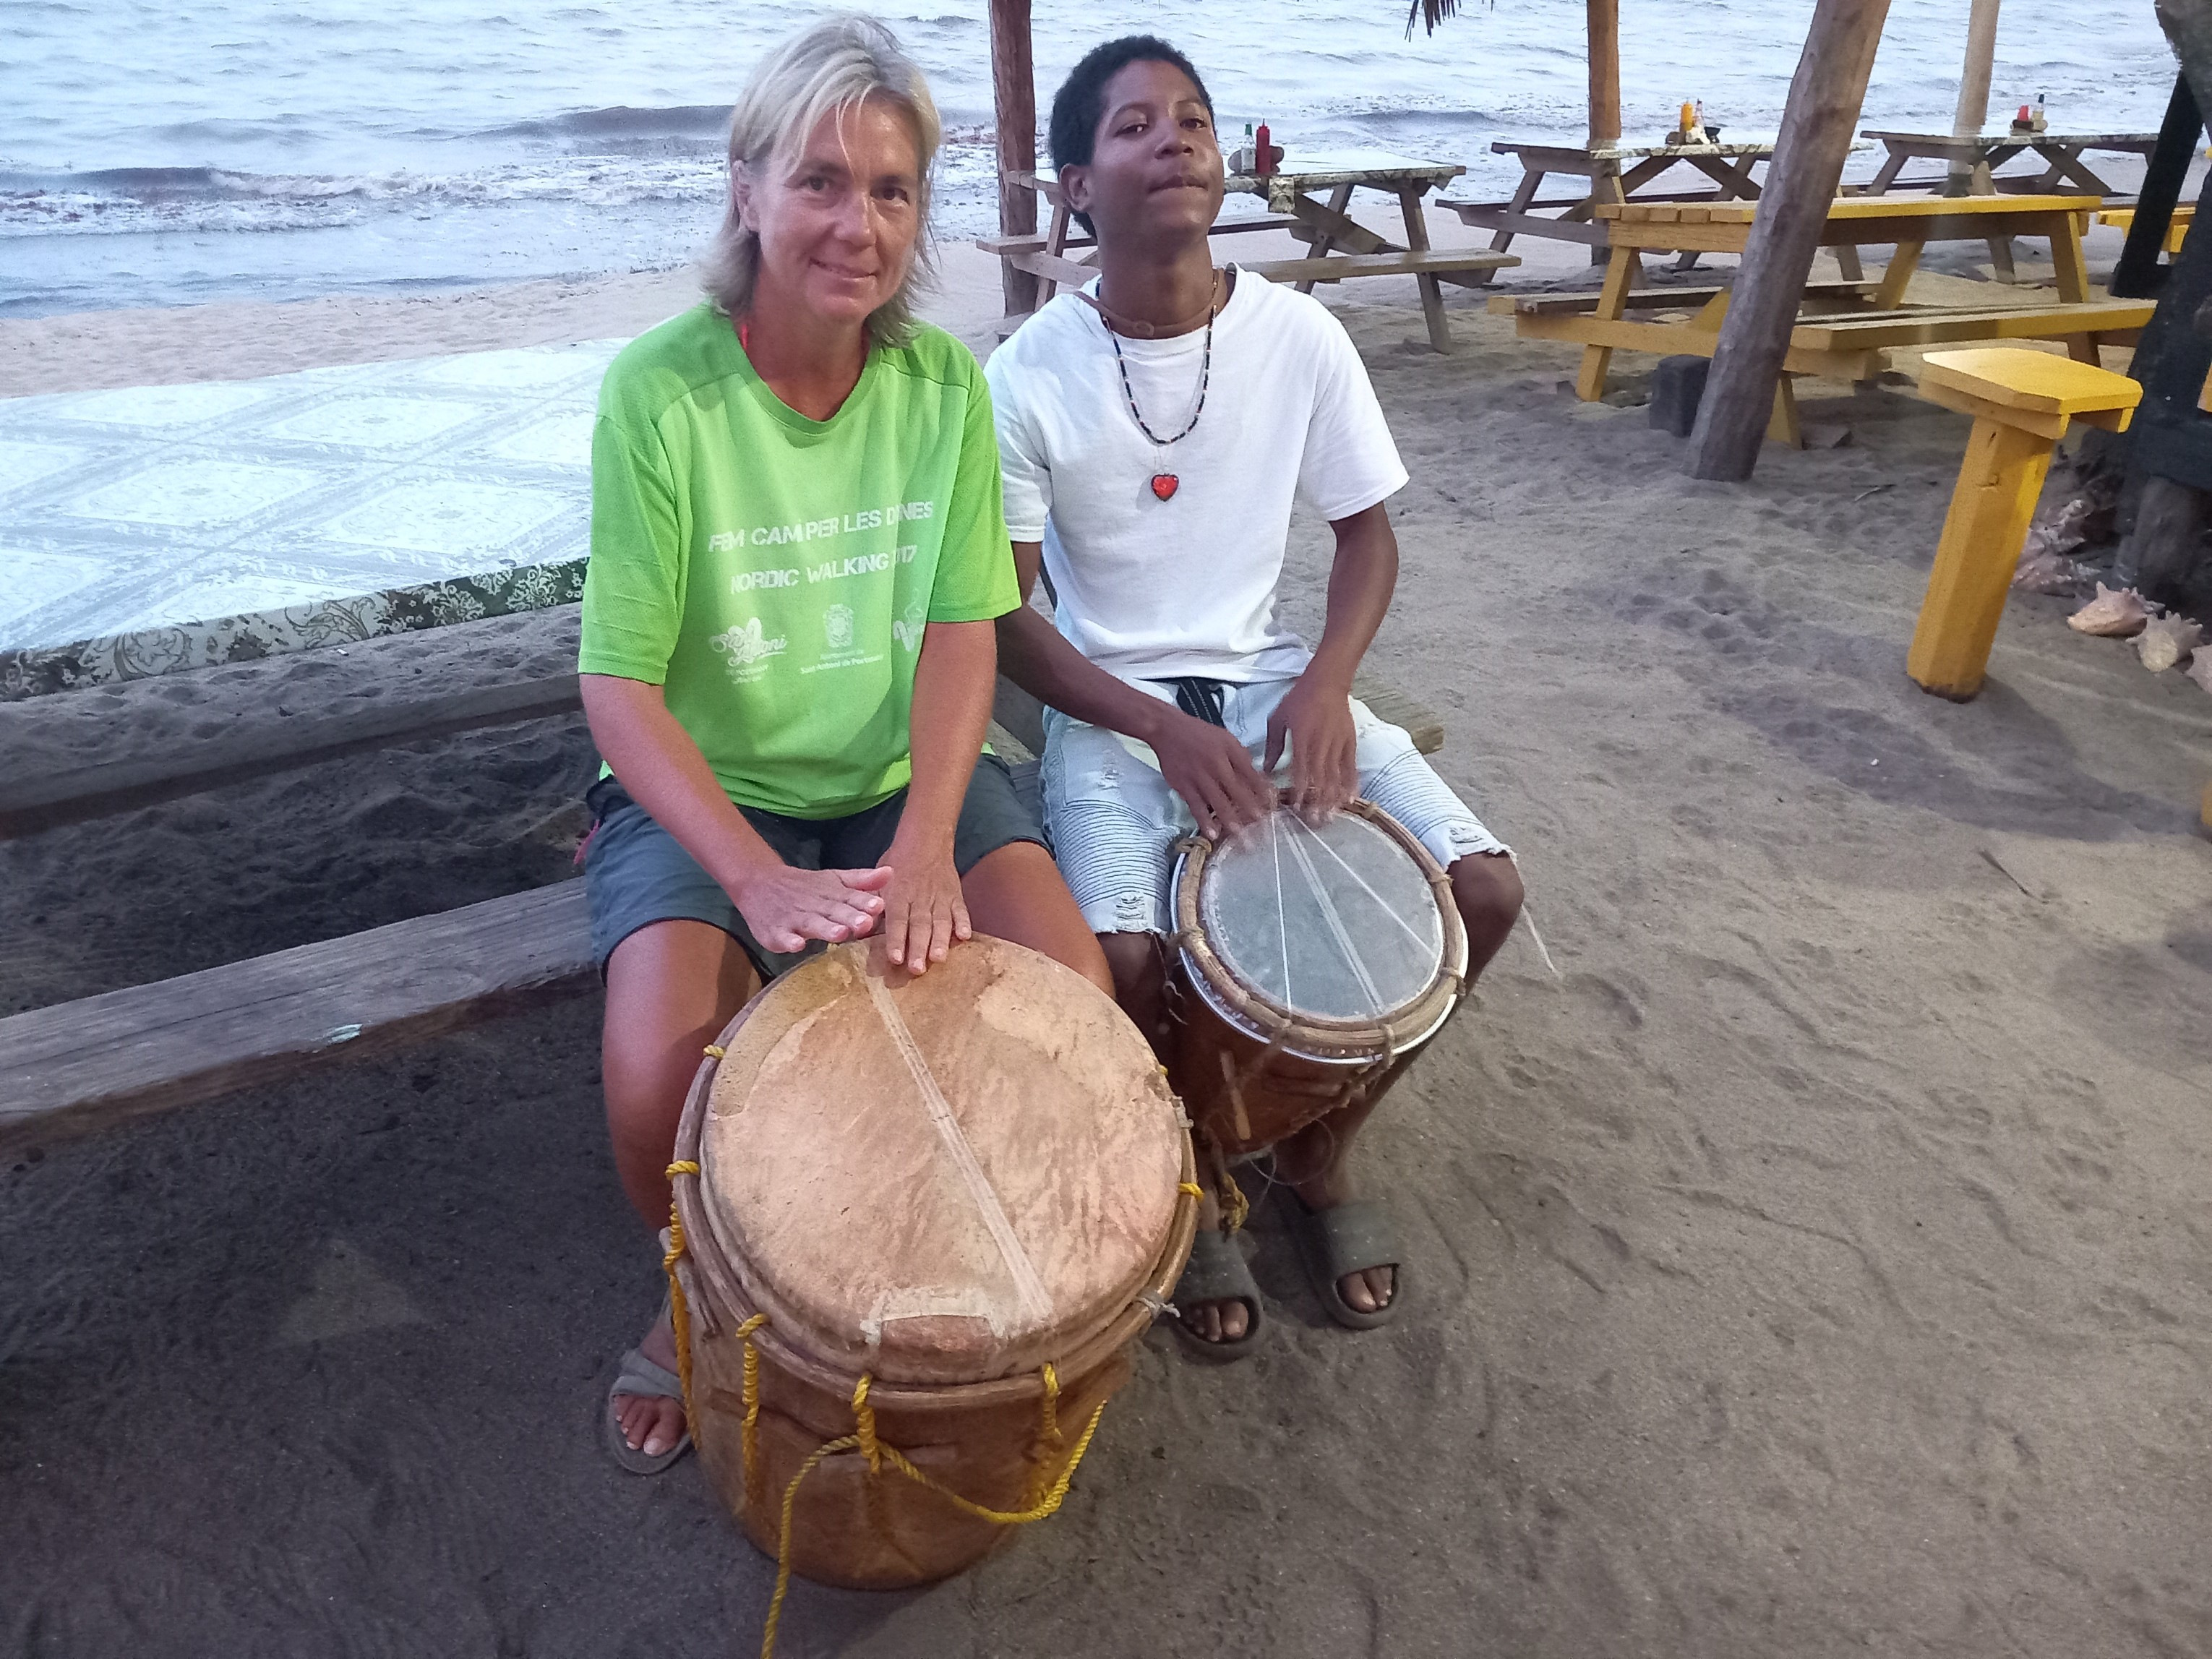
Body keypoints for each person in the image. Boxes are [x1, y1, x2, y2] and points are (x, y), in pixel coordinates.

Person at [580, 15, 1110, 1472]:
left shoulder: (941, 387)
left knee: (1071, 1000)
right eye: (819, 180)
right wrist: (751, 877)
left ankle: (946, 1252)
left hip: (897, 784)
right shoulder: (661, 394)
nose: (857, 224)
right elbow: (619, 687)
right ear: (746, 189)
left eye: (892, 190)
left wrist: (930, 840)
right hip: (713, 797)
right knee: (660, 1078)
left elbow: (961, 631)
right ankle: (696, 1297)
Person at [985, 36, 1524, 1360]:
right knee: (1122, 960)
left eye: (1194, 119)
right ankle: (1184, 1163)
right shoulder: (1028, 373)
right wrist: (1156, 727)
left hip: (1274, 680)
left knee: (1484, 892)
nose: (1174, 138)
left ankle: (1321, 1146)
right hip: (1114, 709)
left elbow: (1367, 534)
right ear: (1075, 186)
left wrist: (1329, 682)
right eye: (1133, 125)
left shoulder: (1299, 335)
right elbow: (1004, 619)